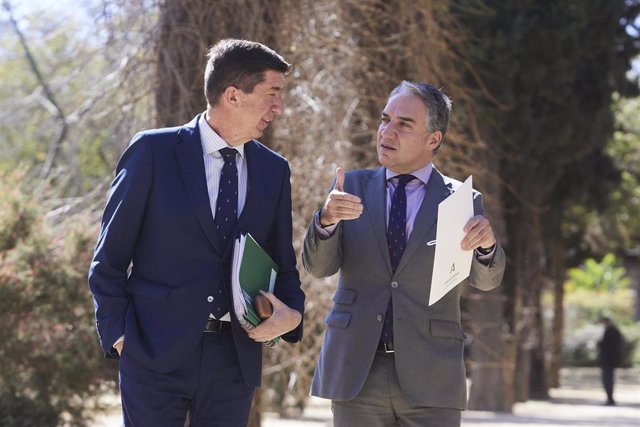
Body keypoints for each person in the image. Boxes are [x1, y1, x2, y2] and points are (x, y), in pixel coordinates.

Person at [88, 38, 305, 426]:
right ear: (233, 95)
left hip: (233, 361)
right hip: (153, 351)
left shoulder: (275, 170)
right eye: (272, 94)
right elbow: (109, 260)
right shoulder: (152, 152)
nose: (279, 108)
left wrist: (292, 316)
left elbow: (282, 263)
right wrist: (121, 336)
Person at [302, 81, 506, 426]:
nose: (387, 132)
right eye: (385, 120)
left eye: (403, 124)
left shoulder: (462, 200)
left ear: (433, 139)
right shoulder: (348, 188)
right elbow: (318, 268)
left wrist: (487, 246)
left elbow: (486, 281)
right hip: (357, 373)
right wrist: (326, 221)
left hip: (432, 376)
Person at [598, 316, 623, 406]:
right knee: (609, 379)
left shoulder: (609, 331)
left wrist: (599, 342)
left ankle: (610, 398)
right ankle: (610, 398)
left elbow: (604, 345)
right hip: (612, 360)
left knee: (607, 379)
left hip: (607, 360)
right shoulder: (616, 331)